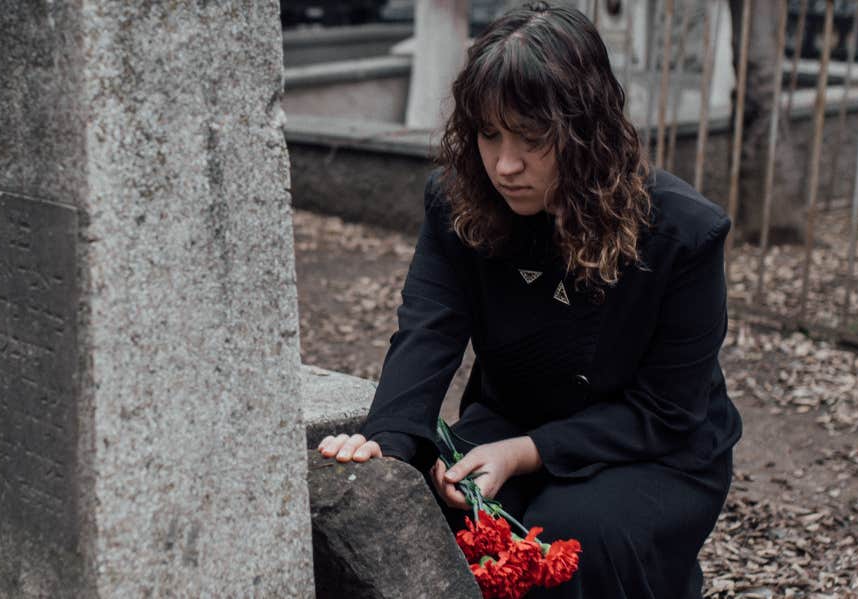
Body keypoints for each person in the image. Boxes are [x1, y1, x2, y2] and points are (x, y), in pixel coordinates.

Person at [317, 3, 741, 597]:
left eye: (532, 139)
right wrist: (384, 442)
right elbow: (428, 330)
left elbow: (667, 412)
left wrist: (526, 453)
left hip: (652, 447)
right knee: (438, 510)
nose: (504, 165)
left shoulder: (683, 235)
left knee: (572, 537)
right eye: (488, 135)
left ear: (586, 131)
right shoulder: (457, 201)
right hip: (513, 418)